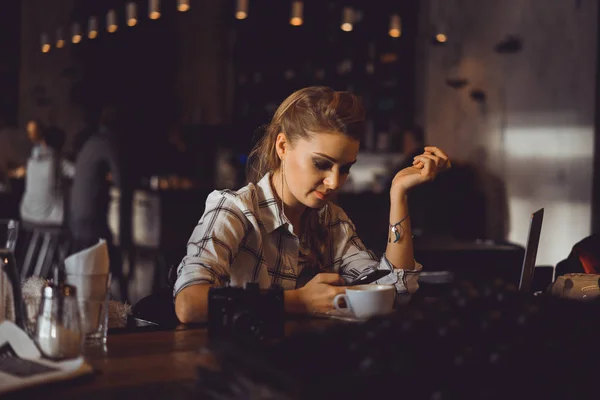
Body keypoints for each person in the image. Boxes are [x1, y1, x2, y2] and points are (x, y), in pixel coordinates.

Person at [174, 87, 451, 323]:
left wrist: (398, 195)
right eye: (321, 164)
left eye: (345, 169)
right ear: (283, 147)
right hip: (232, 372)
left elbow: (394, 292)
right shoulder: (234, 210)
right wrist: (297, 302)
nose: (333, 182)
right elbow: (189, 304)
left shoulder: (331, 220)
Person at [68, 105, 132, 298]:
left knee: (101, 256)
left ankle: (113, 299)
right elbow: (122, 179)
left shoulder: (92, 141)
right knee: (109, 255)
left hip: (76, 215)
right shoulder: (107, 142)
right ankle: (123, 302)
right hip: (89, 216)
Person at [17, 120, 74, 225]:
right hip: (51, 218)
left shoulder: (31, 160)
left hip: (26, 214)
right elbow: (78, 174)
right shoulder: (59, 161)